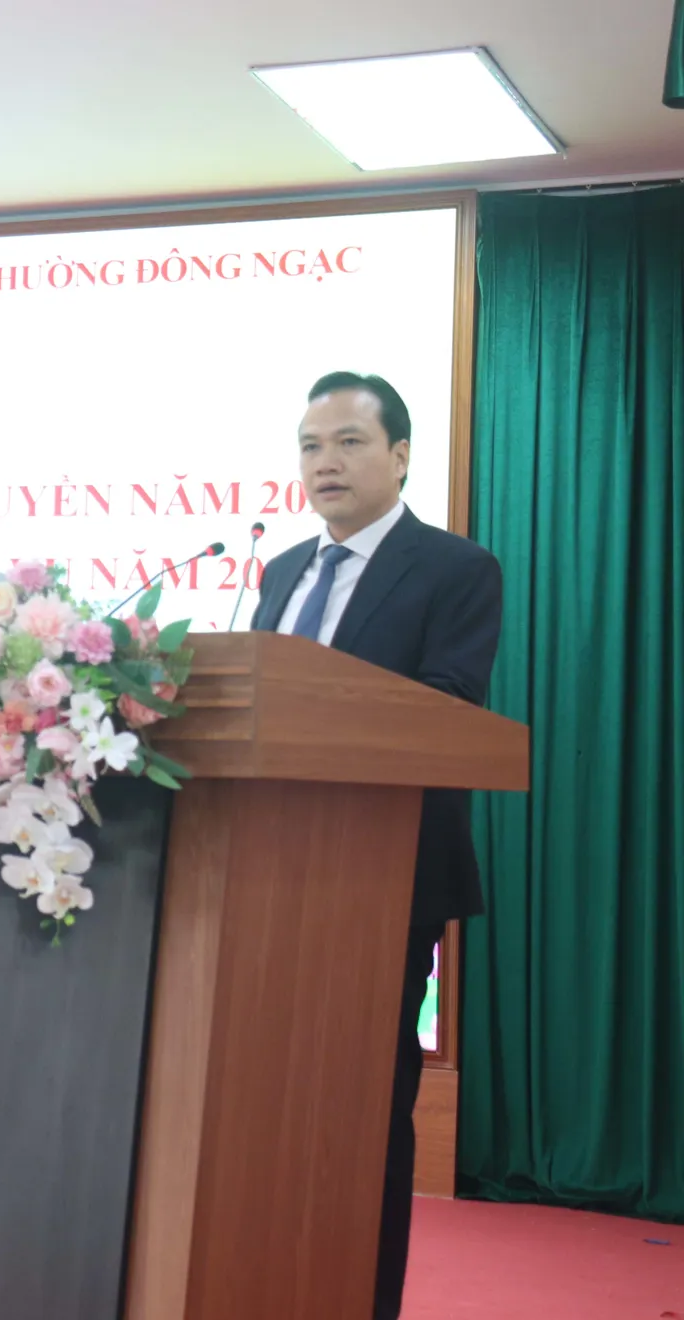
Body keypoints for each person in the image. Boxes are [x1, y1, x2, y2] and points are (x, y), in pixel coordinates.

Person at [251, 371, 502, 1320]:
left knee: (362, 1107)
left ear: (400, 456)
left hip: (381, 880)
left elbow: (448, 703)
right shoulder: (282, 571)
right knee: (268, 1102)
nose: (326, 462)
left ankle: (363, 1302)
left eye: (350, 442)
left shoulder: (455, 569)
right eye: (311, 446)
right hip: (264, 878)